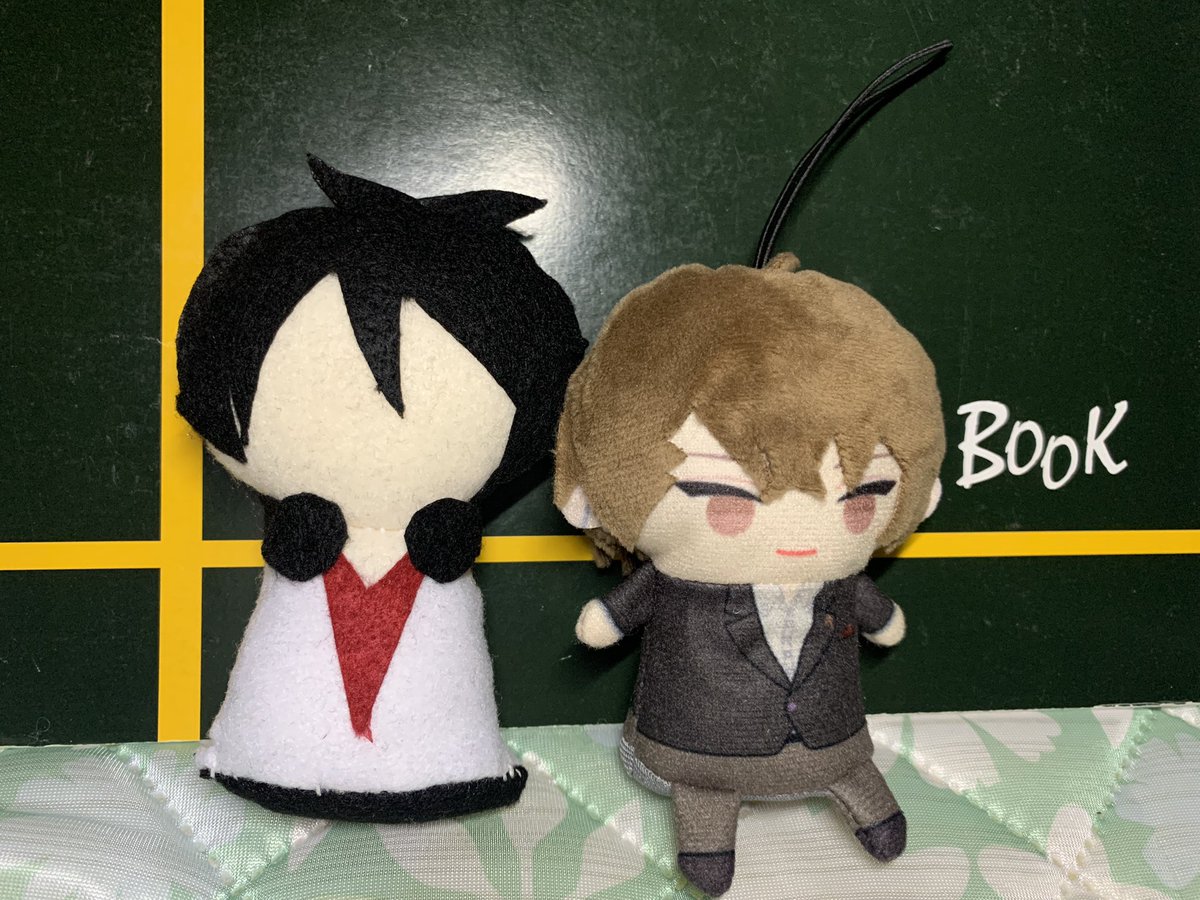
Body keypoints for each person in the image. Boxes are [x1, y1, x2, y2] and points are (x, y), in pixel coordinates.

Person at [176, 156, 585, 822]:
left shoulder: (447, 522)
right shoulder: (304, 521)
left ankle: (449, 764)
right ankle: (266, 756)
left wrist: (446, 540)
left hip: (443, 726)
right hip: (270, 741)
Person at [554, 253, 945, 894]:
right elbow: (614, 617)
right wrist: (608, 617)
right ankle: (707, 831)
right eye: (730, 502)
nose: (799, 533)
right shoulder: (676, 581)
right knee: (704, 787)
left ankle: (862, 794)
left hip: (834, 736)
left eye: (859, 502)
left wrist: (883, 619)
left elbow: (876, 614)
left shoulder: (841, 584)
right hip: (693, 744)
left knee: (849, 762)